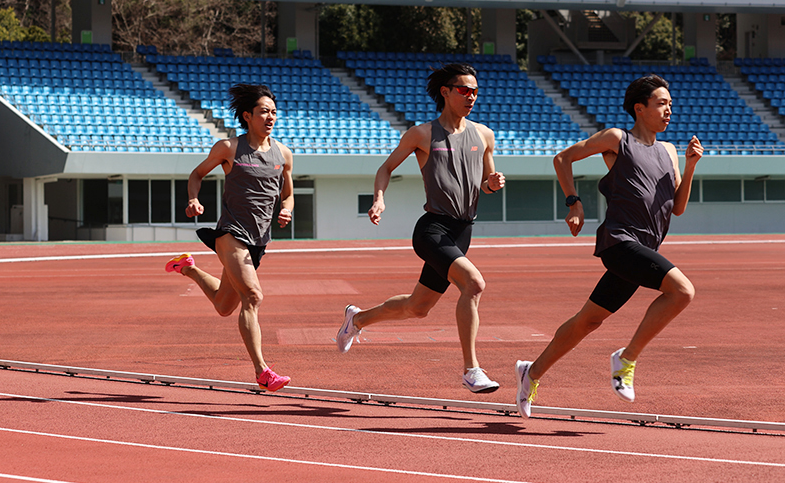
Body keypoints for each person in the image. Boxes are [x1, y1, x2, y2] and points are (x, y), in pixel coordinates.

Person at [515, 74, 703, 419]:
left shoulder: (669, 151)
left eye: (670, 105)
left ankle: (532, 372)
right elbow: (562, 159)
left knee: (588, 321)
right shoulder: (618, 139)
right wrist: (574, 202)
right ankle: (626, 359)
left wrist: (690, 166)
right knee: (682, 291)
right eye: (661, 103)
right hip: (620, 241)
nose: (669, 110)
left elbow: (677, 207)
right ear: (639, 108)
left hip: (645, 246)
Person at [335, 62, 505, 394]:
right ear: (445, 92)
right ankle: (471, 370)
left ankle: (357, 319)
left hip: (462, 231)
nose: (471, 96)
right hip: (432, 230)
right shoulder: (422, 134)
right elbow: (386, 168)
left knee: (418, 307)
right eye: (464, 90)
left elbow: (485, 184)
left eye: (475, 91)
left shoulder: (485, 135)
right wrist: (379, 199)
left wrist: (493, 184)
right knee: (473, 284)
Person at [165, 83, 295, 392]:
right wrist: (193, 199)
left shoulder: (283, 154)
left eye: (274, 112)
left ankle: (187, 268)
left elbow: (288, 195)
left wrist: (286, 210)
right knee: (253, 296)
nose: (270, 117)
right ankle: (263, 371)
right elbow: (196, 174)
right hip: (231, 234)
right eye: (264, 112)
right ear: (247, 116)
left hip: (259, 240)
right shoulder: (229, 148)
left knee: (224, 305)